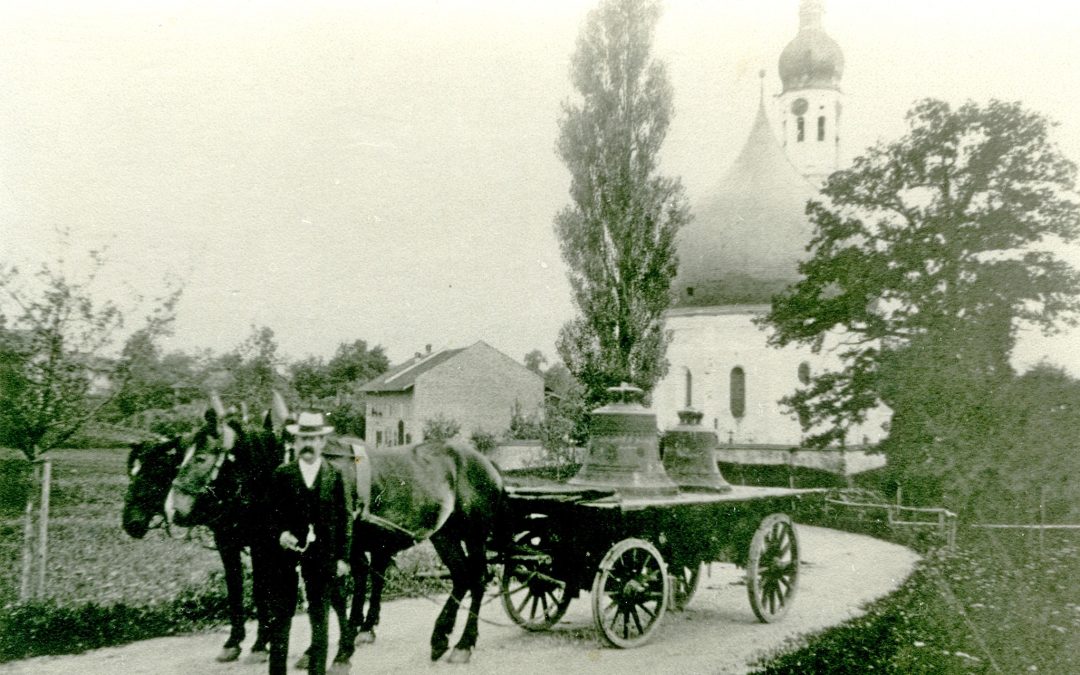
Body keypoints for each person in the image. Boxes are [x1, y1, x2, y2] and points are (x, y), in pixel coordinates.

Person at [266, 411, 350, 675]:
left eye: (313, 438)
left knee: (320, 621)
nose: (308, 444)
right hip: (285, 560)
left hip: (322, 560)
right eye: (303, 438)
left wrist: (343, 558)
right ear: (295, 442)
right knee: (280, 620)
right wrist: (280, 534)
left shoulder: (334, 475)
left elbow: (344, 519)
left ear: (323, 442)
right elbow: (269, 516)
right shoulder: (282, 474)